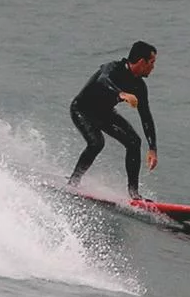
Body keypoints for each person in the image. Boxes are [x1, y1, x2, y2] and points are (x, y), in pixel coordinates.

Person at [67, 41, 159, 200]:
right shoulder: (112, 68)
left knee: (134, 142)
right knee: (96, 143)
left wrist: (152, 148)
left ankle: (133, 194)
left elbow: (146, 116)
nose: (153, 67)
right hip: (82, 110)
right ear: (142, 62)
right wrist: (121, 94)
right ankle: (73, 182)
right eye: (152, 63)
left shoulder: (139, 86)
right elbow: (102, 80)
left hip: (104, 113)